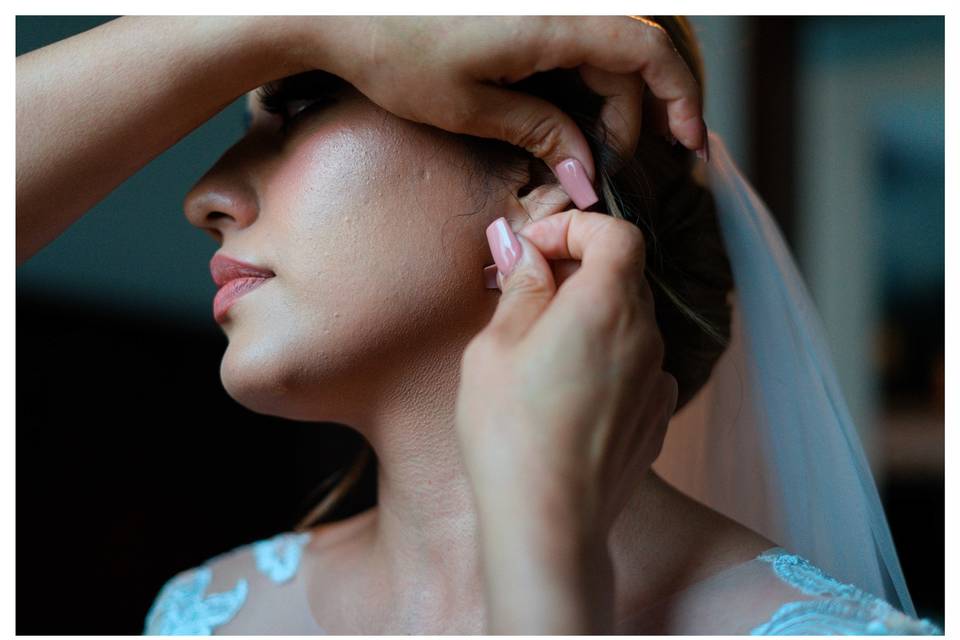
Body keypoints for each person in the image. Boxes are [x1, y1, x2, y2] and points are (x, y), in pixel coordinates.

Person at [16, 16, 941, 635]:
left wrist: (542, 544)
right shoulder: (213, 612)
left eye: (298, 105)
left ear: (543, 176)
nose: (202, 197)